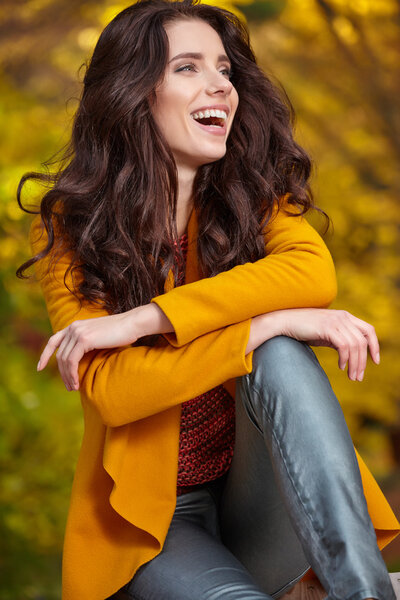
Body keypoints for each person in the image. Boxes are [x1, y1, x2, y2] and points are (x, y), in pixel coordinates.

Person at [17, 1, 399, 599]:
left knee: (281, 357)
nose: (220, 84)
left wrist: (145, 322)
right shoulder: (71, 228)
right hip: (157, 522)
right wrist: (261, 325)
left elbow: (312, 272)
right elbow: (117, 393)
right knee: (270, 342)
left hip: (271, 498)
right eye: (189, 68)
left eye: (224, 69)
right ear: (135, 92)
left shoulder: (255, 197)